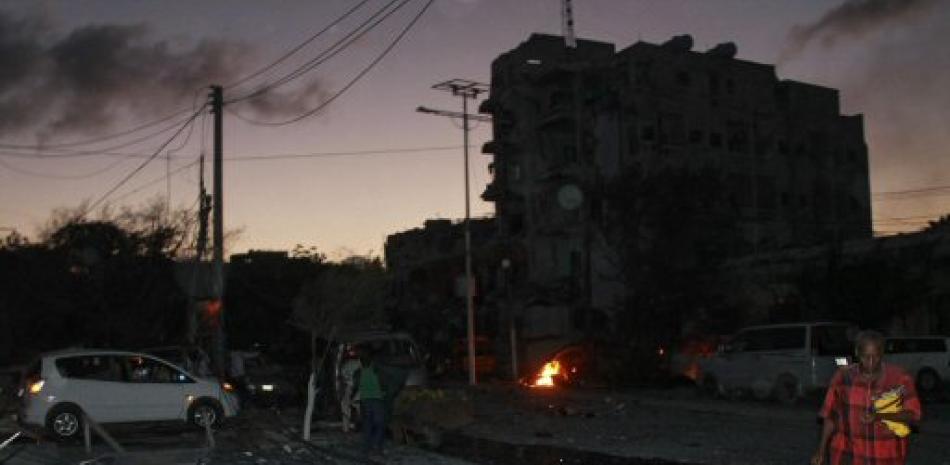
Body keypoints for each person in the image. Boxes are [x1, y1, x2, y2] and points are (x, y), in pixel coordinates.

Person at [811, 330, 922, 465]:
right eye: (865, 356)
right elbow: (830, 415)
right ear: (857, 353)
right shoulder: (843, 377)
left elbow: (913, 415)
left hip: (886, 456)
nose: (870, 362)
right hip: (847, 455)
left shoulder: (900, 378)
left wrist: (880, 416)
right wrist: (821, 449)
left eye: (875, 356)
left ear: (882, 353)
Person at [355, 349, 387, 457]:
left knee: (368, 425)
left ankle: (366, 448)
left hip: (365, 401)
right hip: (377, 400)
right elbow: (383, 383)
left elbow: (357, 385)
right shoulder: (377, 370)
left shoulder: (359, 372)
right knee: (380, 425)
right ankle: (375, 446)